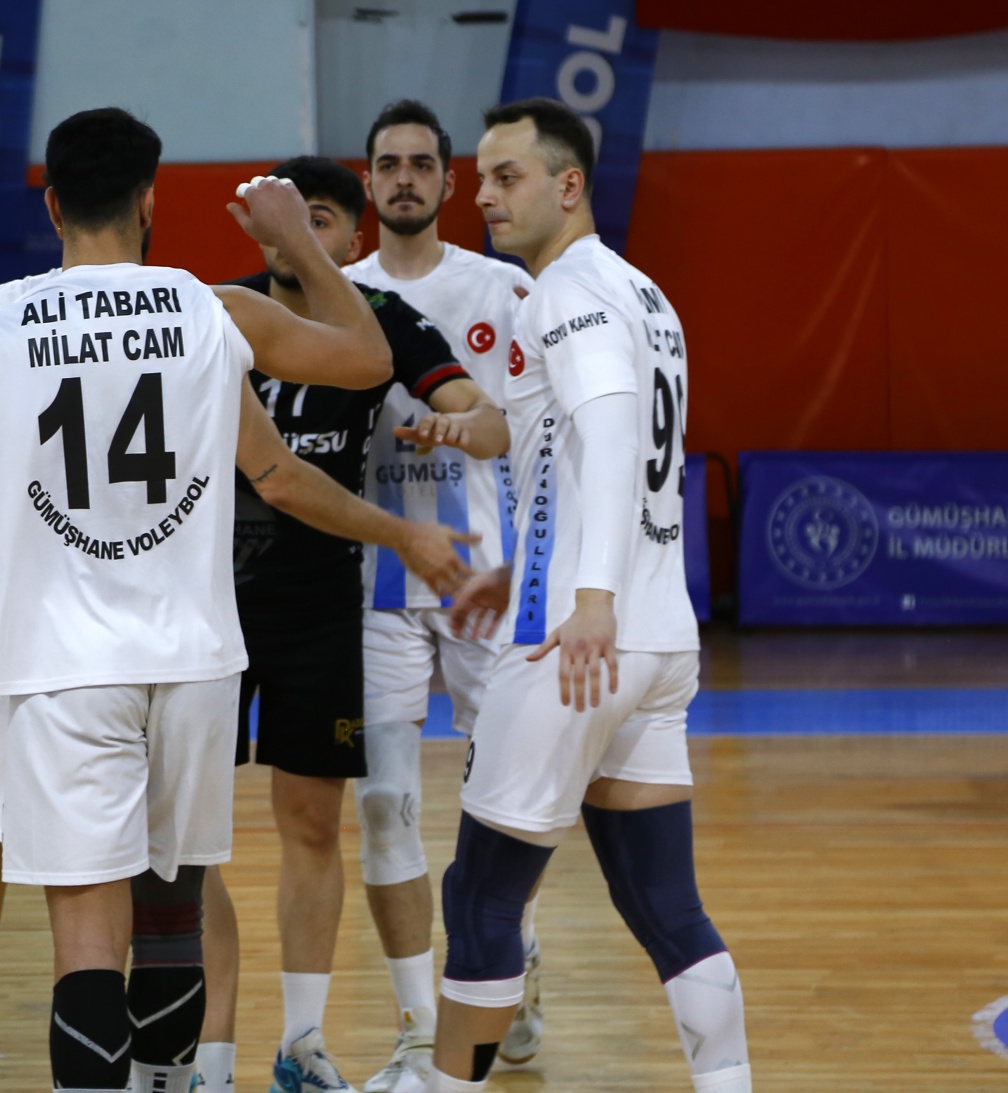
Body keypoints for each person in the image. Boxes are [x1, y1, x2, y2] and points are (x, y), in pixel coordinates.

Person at [0, 106, 475, 1093]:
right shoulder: (208, 310)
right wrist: (300, 246)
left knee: (88, 938)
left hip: (67, 664)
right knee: (173, 915)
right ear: (150, 201)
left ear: (51, 205)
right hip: (195, 662)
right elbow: (367, 360)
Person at [424, 98, 752, 1093]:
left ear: (569, 185)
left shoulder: (566, 291)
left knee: (481, 894)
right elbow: (575, 457)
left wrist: (590, 594)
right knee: (663, 904)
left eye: (506, 176)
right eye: (480, 178)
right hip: (656, 641)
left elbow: (609, 434)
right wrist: (528, 568)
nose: (484, 197)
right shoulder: (642, 292)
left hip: (577, 641)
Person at [198, 155, 508, 1093]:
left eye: (321, 220)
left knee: (313, 820)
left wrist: (456, 427)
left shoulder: (383, 322)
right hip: (210, 598)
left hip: (320, 600)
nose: (298, 236)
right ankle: (208, 1055)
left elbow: (484, 416)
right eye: (287, 219)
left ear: (349, 238)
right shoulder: (216, 313)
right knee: (189, 831)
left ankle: (303, 1043)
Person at [338, 100, 541, 1091]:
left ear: (447, 181)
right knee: (383, 804)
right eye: (390, 164)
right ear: (367, 180)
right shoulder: (335, 297)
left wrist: (464, 429)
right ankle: (420, 1029)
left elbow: (529, 432)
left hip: (484, 584)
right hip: (375, 591)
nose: (406, 178)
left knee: (502, 800)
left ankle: (511, 952)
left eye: (422, 163)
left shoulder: (502, 289)